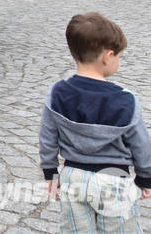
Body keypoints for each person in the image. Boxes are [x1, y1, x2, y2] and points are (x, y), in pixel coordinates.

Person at [39, 12, 151, 231]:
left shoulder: (57, 93)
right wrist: (145, 178)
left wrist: (50, 173)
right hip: (114, 179)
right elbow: (141, 144)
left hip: (74, 178)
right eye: (119, 56)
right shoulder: (125, 100)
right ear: (108, 57)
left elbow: (47, 138)